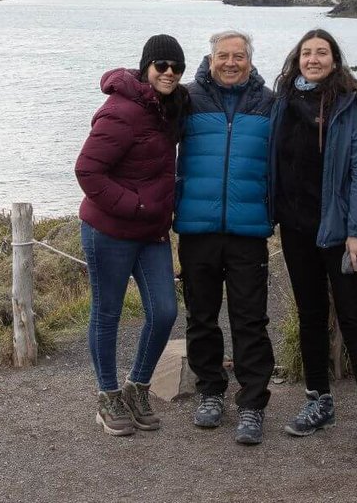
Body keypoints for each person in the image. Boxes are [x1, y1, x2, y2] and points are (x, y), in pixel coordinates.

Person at [270, 28, 357, 461]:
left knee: (356, 322)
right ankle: (318, 401)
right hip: (295, 228)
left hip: (342, 233)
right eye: (307, 52)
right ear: (297, 59)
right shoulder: (282, 102)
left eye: (322, 52)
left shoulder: (351, 105)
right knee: (309, 316)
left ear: (335, 60)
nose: (314, 59)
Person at [75, 33, 189, 436]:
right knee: (107, 312)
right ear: (146, 67)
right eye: (162, 66)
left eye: (178, 67)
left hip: (151, 232)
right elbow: (87, 171)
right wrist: (136, 207)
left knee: (165, 311)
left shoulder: (168, 107)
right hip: (109, 229)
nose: (170, 73)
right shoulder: (121, 110)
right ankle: (108, 396)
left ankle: (137, 386)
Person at [174, 30, 277, 445]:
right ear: (210, 58)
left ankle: (252, 404)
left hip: (248, 230)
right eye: (223, 56)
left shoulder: (270, 104)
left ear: (250, 61)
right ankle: (211, 391)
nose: (230, 63)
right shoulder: (187, 99)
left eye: (238, 56)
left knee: (250, 320)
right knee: (201, 317)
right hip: (197, 228)